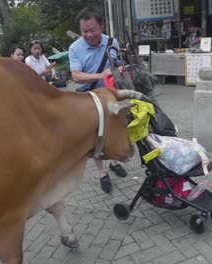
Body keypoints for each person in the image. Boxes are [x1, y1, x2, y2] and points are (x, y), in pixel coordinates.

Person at [69, 6, 127, 193]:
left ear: (101, 25)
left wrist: (121, 70)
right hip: (89, 98)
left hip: (112, 96)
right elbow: (76, 76)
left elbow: (118, 63)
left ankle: (115, 162)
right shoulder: (75, 48)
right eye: (84, 31)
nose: (88, 34)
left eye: (92, 30)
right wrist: (101, 76)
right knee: (97, 138)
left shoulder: (112, 42)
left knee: (116, 130)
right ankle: (102, 173)